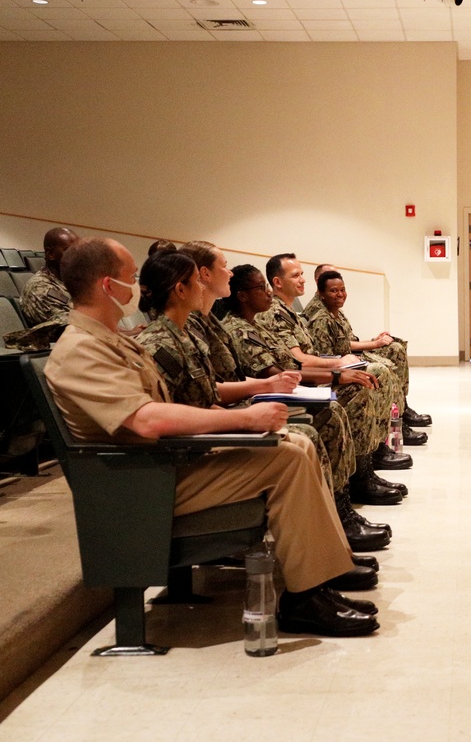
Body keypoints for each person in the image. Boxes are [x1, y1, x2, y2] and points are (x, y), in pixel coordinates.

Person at [45, 237, 380, 637]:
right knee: (288, 456)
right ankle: (306, 598)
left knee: (296, 444)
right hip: (142, 484)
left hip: (164, 466)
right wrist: (242, 422)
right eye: (131, 278)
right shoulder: (82, 349)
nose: (137, 288)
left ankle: (317, 583)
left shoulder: (107, 339)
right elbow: (147, 420)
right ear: (106, 285)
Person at [175, 241, 393, 551]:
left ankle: (343, 502)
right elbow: (231, 386)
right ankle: (337, 514)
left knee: (341, 400)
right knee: (325, 418)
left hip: (255, 401)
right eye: (223, 266)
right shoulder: (217, 328)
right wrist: (332, 375)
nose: (267, 292)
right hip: (228, 420)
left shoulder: (214, 324)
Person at [221, 264, 409, 505]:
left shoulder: (256, 325)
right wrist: (337, 374)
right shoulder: (242, 329)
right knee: (347, 397)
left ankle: (364, 469)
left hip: (287, 387)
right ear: (242, 295)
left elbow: (293, 365)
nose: (268, 293)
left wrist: (339, 370)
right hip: (268, 399)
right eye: (261, 288)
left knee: (365, 376)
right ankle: (346, 493)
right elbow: (282, 373)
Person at [257, 254, 412, 474]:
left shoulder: (288, 311)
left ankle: (381, 442)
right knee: (370, 376)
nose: (303, 279)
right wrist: (339, 365)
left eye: (302, 274)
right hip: (301, 384)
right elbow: (298, 360)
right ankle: (365, 466)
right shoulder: (275, 313)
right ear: (277, 282)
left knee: (382, 362)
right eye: (295, 275)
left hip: (309, 375)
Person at [306, 267, 431, 446]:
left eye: (342, 290)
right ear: (321, 292)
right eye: (334, 291)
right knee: (383, 370)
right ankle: (387, 434)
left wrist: (374, 341)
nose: (340, 294)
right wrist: (373, 345)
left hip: (350, 358)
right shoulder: (320, 318)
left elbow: (347, 340)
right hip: (341, 365)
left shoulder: (336, 312)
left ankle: (401, 411)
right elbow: (327, 355)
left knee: (396, 345)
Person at [20, 227, 79, 327]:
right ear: (51, 254)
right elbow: (70, 326)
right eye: (69, 251)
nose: (77, 256)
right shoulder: (39, 288)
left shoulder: (71, 282)